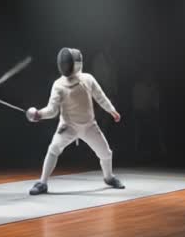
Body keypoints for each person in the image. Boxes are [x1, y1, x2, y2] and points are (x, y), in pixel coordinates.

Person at [24, 47, 123, 195]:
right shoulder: (58, 85)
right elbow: (52, 110)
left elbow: (100, 96)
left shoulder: (88, 79)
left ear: (76, 64)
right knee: (53, 149)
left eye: (67, 63)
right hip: (67, 126)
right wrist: (39, 114)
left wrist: (111, 110)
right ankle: (42, 183)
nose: (64, 65)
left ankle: (109, 177)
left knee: (106, 153)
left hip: (89, 126)